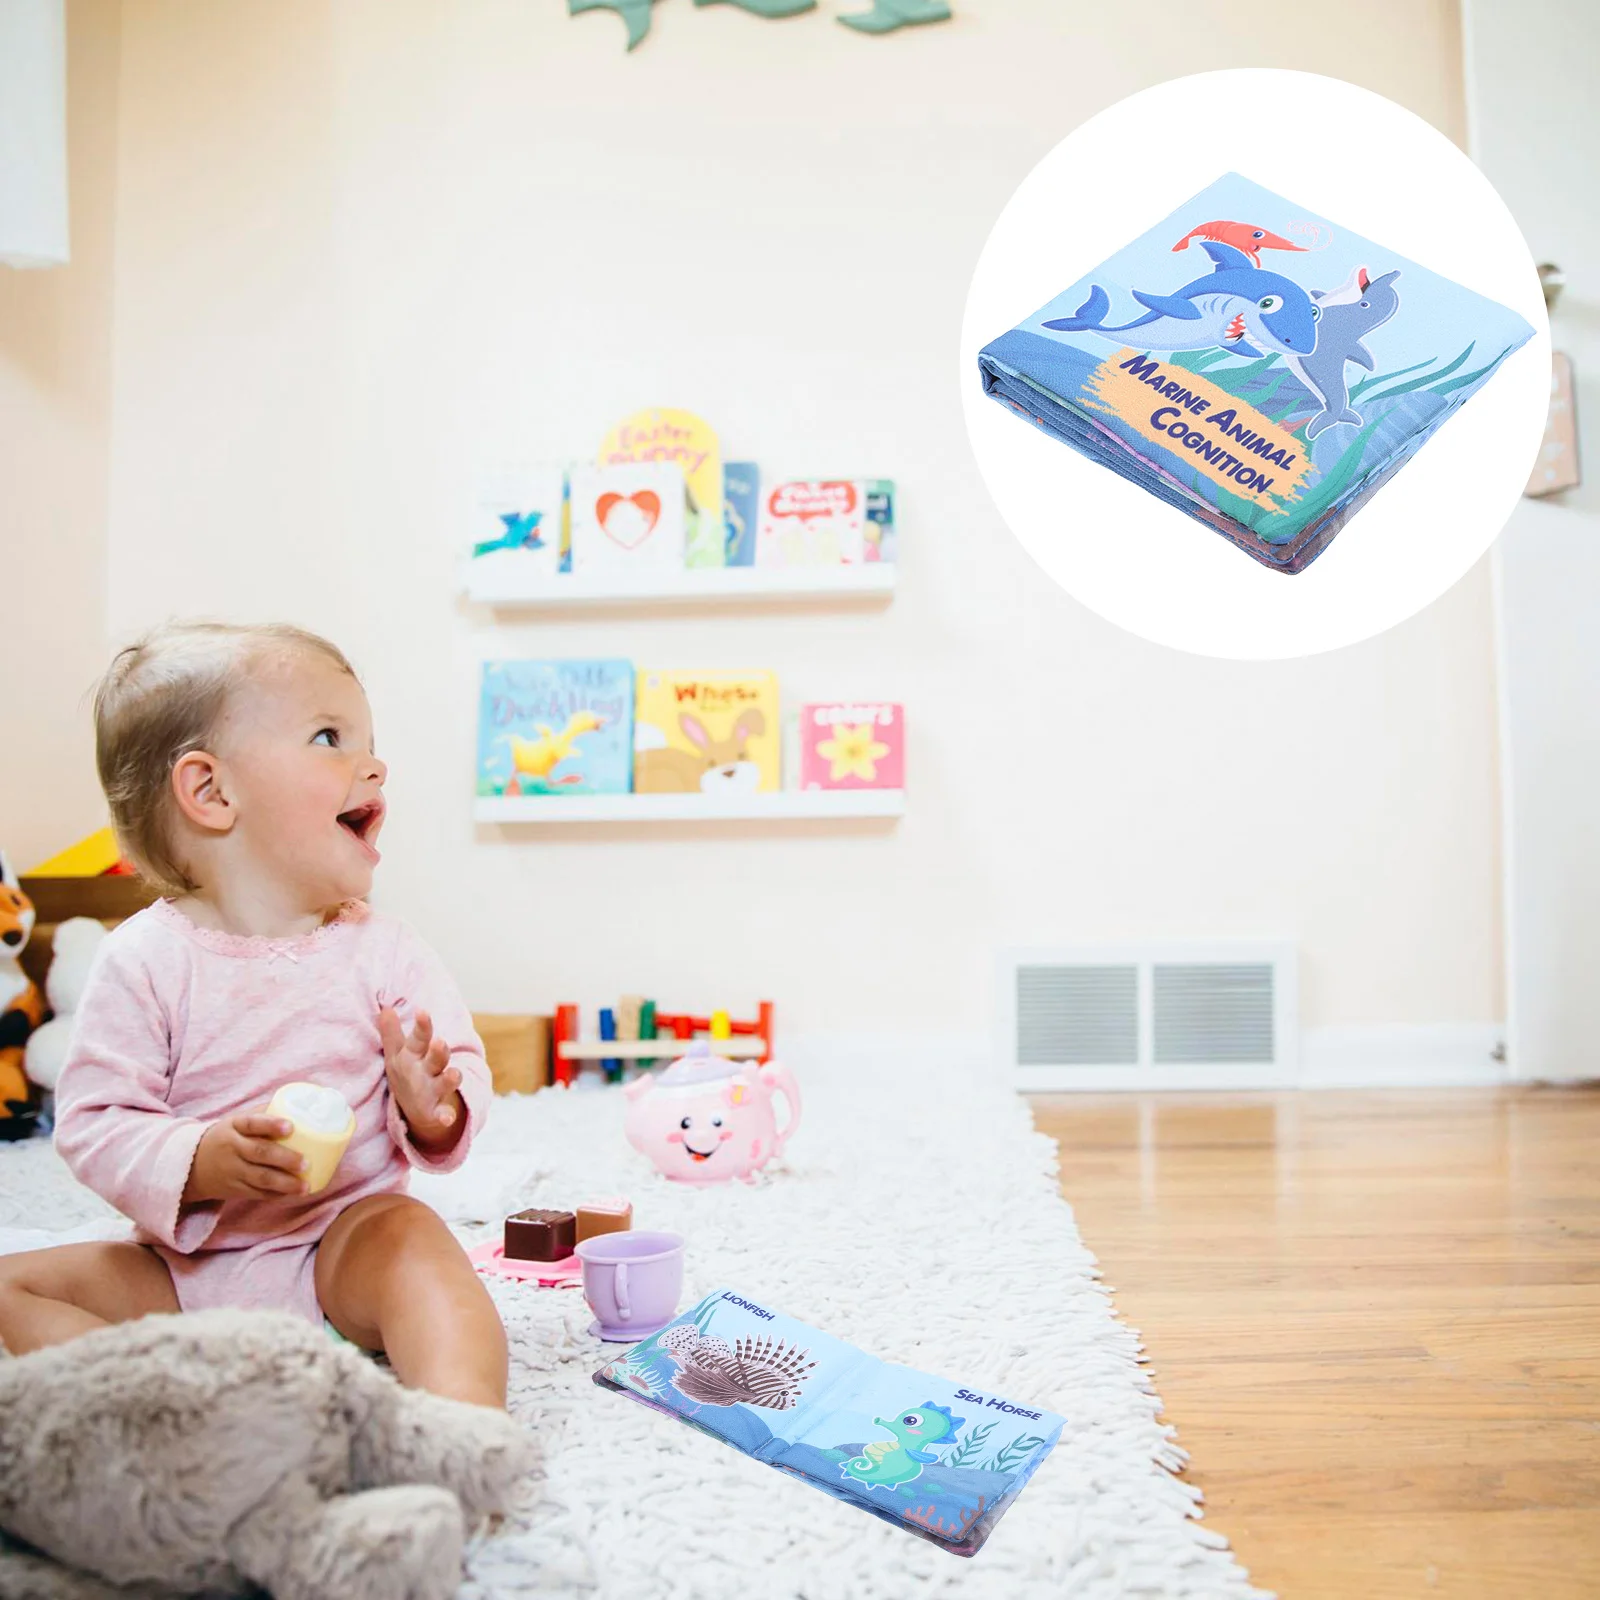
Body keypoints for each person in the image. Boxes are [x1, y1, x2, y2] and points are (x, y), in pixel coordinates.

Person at [0, 622, 508, 1408]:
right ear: (210, 792)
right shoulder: (143, 959)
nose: (374, 765)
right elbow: (95, 1123)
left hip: (341, 1249)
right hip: (181, 1273)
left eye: (370, 743)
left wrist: (432, 1104)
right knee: (10, 1290)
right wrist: (200, 1159)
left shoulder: (382, 949)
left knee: (414, 1241)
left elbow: (459, 1074)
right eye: (330, 737)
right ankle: (165, 1406)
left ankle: (463, 1426)